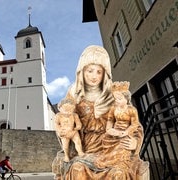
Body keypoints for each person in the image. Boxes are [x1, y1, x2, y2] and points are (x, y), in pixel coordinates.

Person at [52, 45, 147, 180]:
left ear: (105, 74)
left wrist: (135, 141)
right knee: (78, 169)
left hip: (112, 147)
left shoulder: (114, 95)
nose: (94, 76)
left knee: (118, 174)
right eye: (90, 71)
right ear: (81, 72)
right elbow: (63, 120)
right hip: (86, 150)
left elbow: (133, 123)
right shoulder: (74, 96)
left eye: (99, 72)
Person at [94, 81, 142, 169]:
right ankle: (108, 159)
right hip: (114, 133)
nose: (116, 101)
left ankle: (113, 161)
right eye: (115, 99)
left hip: (126, 132)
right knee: (105, 138)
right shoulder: (113, 108)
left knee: (123, 146)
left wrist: (126, 132)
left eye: (119, 99)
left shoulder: (132, 110)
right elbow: (109, 123)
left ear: (127, 99)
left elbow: (135, 124)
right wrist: (111, 130)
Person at [54, 98, 84, 162]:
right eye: (65, 110)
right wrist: (59, 131)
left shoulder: (74, 115)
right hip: (64, 133)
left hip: (73, 131)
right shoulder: (58, 116)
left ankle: (80, 152)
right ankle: (66, 155)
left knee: (78, 142)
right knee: (65, 146)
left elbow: (78, 123)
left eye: (70, 110)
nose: (68, 112)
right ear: (59, 108)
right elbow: (56, 124)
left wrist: (77, 127)